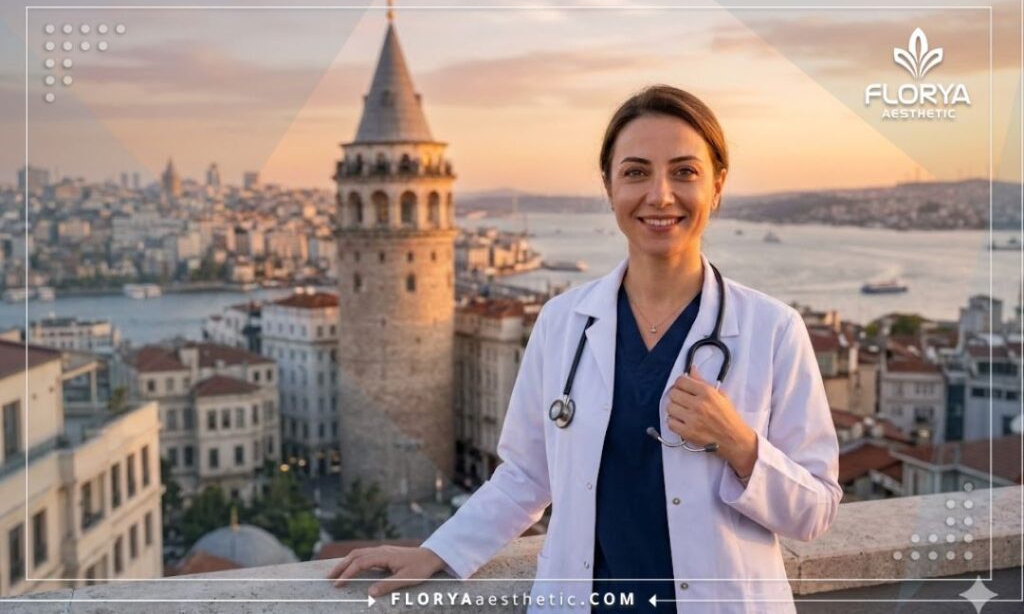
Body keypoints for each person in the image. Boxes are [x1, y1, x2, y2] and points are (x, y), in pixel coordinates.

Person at [328, 84, 842, 613]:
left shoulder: (773, 329)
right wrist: (438, 551)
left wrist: (741, 445)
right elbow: (527, 475)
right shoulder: (562, 323)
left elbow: (817, 510)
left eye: (684, 172)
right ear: (609, 186)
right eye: (636, 172)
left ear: (717, 187)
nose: (660, 195)